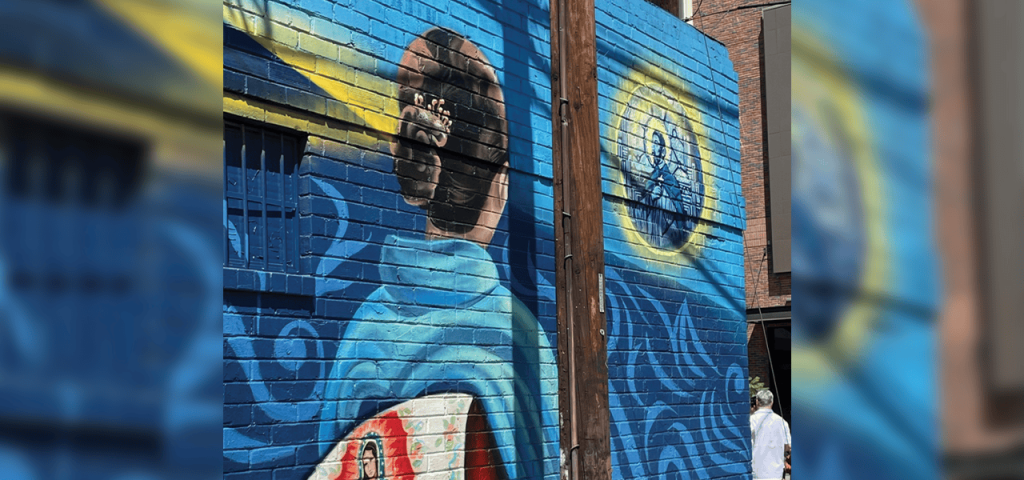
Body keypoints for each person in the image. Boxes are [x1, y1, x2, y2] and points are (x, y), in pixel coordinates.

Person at [751, 389, 791, 480]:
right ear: (772, 402)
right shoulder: (782, 422)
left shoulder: (751, 421)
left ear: (757, 402)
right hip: (776, 473)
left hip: (756, 473)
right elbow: (788, 447)